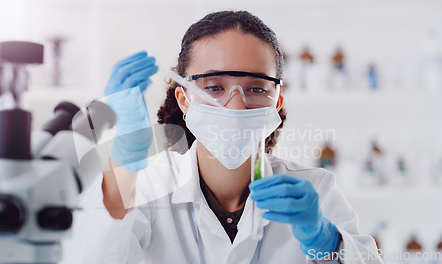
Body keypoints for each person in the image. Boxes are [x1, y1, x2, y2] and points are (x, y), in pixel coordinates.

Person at [81, 11, 383, 264]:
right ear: (185, 100)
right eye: (214, 87)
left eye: (256, 88)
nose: (236, 105)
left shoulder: (315, 190)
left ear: (276, 102)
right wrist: (122, 159)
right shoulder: (148, 186)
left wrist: (326, 242)